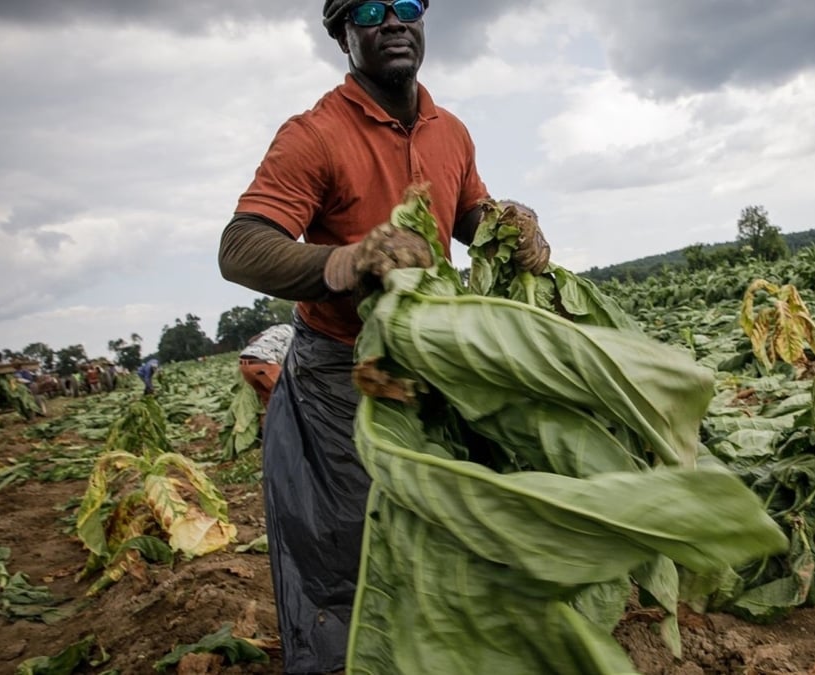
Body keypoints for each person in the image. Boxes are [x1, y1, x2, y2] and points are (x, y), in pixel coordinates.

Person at [217, 1, 551, 671]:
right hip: (342, 379)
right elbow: (241, 247)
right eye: (369, 10)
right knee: (349, 562)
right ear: (343, 33)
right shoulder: (313, 134)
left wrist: (510, 223)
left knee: (451, 544)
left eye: (406, 6)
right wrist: (341, 262)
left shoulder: (449, 130)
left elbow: (467, 214)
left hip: (431, 375)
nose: (392, 21)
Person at [238, 323, 295, 411]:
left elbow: (251, 340)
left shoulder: (273, 329)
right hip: (264, 364)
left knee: (267, 400)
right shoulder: (295, 334)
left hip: (244, 364)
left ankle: (269, 423)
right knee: (288, 396)